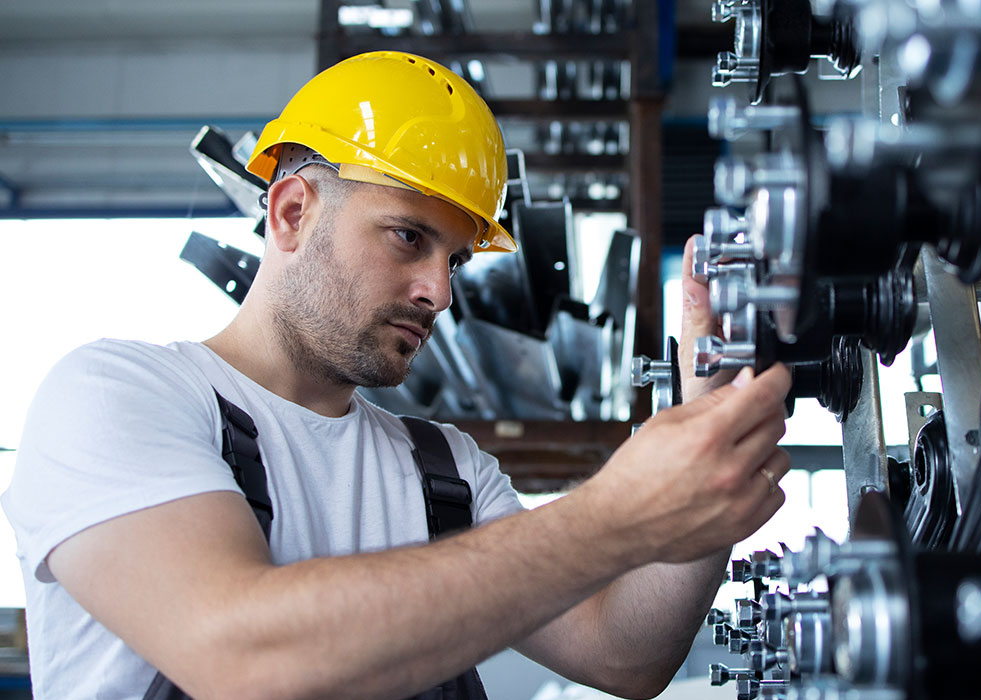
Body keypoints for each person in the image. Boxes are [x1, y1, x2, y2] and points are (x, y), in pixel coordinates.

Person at [2, 51, 791, 699]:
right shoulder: (117, 397)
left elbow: (625, 657)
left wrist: (707, 436)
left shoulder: (442, 471)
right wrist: (614, 514)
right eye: (407, 237)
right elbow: (242, 659)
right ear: (290, 213)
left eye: (453, 258)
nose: (440, 291)